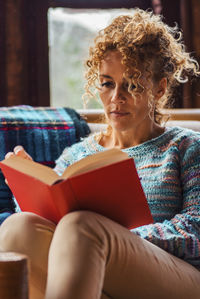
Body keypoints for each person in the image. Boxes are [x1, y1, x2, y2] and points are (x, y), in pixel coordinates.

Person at [0, 8, 200, 299]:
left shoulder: (186, 147)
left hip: (178, 278)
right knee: (19, 226)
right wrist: (27, 189)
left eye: (132, 84)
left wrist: (118, 238)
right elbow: (48, 229)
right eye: (107, 83)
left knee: (82, 226)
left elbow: (196, 231)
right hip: (98, 273)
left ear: (159, 88)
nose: (116, 98)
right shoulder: (76, 156)